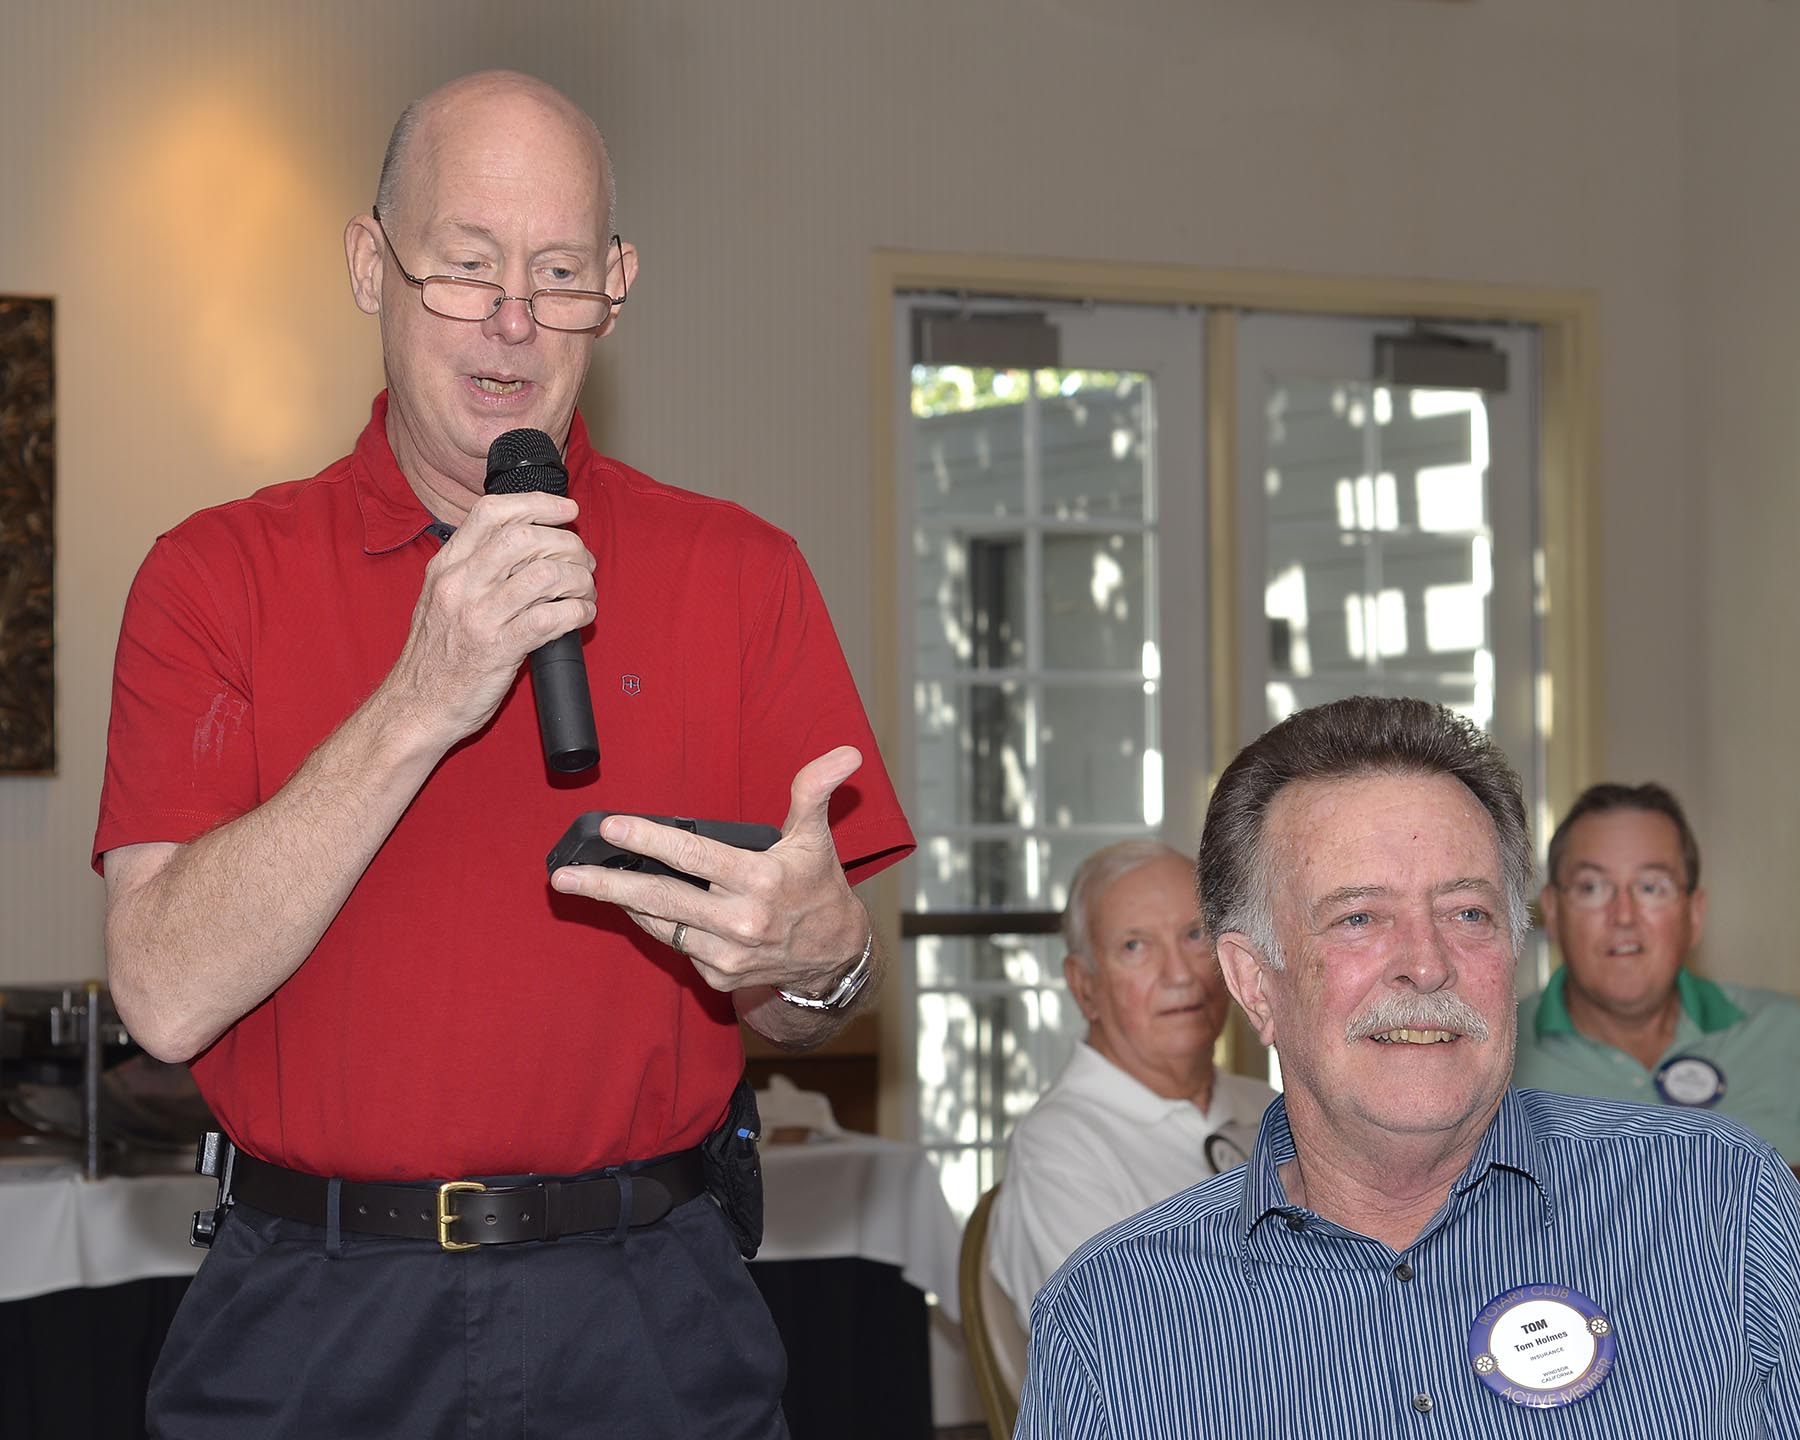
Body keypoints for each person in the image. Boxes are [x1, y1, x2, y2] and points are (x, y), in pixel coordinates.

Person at [92, 71, 912, 1439]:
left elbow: (809, 1000)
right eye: (467, 265)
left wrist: (824, 959)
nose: (514, 320)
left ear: (617, 288)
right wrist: (421, 696)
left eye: (559, 273)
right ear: (372, 265)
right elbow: (165, 1000)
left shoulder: (741, 572)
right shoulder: (213, 577)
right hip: (315, 1314)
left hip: (652, 1308)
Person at [1016, 698, 1800, 1437]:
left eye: (1468, 913)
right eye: (1359, 918)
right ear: (1255, 983)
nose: (1426, 965)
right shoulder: (1110, 1326)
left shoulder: (1720, 1209)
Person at [987, 840, 1272, 1327]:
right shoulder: (1057, 1151)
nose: (1179, 975)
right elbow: (1133, 1349)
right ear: (1085, 986)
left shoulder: (1270, 1108)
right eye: (1135, 946)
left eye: (1195, 935)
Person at [1515, 782, 1800, 1161]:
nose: (1623, 916)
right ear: (1552, 911)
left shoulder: (1788, 1035)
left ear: (1694, 914)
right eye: (1592, 887)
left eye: (1651, 887)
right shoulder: (1495, 1057)